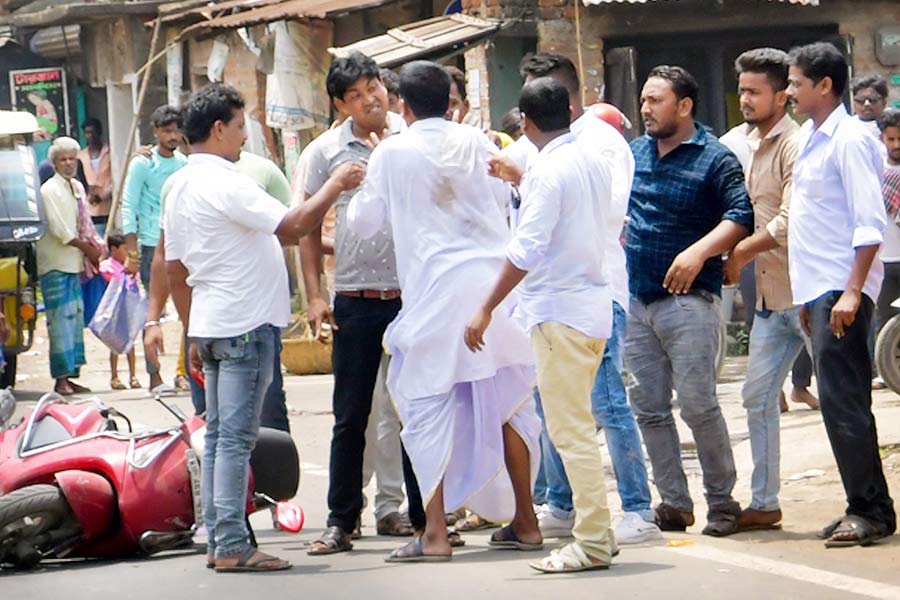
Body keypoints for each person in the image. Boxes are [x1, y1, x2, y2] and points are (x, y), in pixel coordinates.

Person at [164, 83, 363, 572]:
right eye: (239, 127)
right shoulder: (225, 181)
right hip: (243, 324)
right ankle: (231, 542)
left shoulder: (182, 184)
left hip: (213, 323)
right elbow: (293, 226)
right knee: (233, 438)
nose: (244, 138)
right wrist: (335, 185)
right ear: (218, 129)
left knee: (218, 437)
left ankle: (221, 538)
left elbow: (174, 267)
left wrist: (191, 330)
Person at [348, 60, 540, 563]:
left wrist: (374, 179)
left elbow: (364, 225)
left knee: (423, 406)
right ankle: (527, 519)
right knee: (511, 404)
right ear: (450, 101)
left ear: (402, 106)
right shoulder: (478, 142)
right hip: (493, 289)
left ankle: (434, 533)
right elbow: (505, 197)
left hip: (435, 293)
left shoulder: (392, 151)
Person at [492, 52, 660, 545]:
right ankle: (562, 505)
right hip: (548, 300)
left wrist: (527, 181)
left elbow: (603, 213)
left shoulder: (598, 144)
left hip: (593, 290)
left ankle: (636, 510)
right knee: (555, 411)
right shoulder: (542, 146)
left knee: (604, 406)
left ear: (563, 99)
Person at [466, 76, 616, 573]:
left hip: (561, 313)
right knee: (577, 428)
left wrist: (485, 306)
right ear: (570, 111)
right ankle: (599, 535)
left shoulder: (552, 170)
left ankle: (593, 540)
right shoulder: (585, 159)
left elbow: (526, 250)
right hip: (588, 307)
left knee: (571, 432)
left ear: (525, 123)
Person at [626, 65, 753, 537]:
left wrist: (700, 252)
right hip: (638, 303)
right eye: (643, 100)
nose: (645, 109)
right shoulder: (635, 153)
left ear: (684, 106)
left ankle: (722, 502)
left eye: (655, 100)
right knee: (650, 409)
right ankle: (674, 504)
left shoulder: (714, 158)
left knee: (698, 404)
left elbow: (742, 216)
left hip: (689, 303)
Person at [299, 52, 413, 554]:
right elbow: (304, 227)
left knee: (414, 411)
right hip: (355, 300)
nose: (371, 98)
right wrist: (315, 296)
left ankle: (424, 516)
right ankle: (341, 521)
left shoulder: (410, 141)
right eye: (358, 93)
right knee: (350, 416)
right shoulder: (326, 152)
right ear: (340, 103)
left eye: (375, 87)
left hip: (411, 298)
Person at [786, 42, 896, 547]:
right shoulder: (813, 138)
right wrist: (811, 298)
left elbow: (868, 223)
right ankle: (866, 504)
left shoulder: (850, 138)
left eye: (795, 83)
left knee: (845, 400)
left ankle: (869, 511)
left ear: (824, 85)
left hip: (841, 286)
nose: (790, 91)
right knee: (837, 402)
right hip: (821, 288)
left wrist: (851, 292)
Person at [721, 48, 813, 532]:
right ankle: (765, 502)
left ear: (783, 95)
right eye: (742, 91)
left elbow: (787, 221)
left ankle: (864, 501)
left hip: (811, 295)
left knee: (843, 403)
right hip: (769, 300)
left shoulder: (797, 145)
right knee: (757, 397)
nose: (746, 99)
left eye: (755, 91)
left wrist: (738, 254)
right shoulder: (740, 143)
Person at [121, 104, 186, 392]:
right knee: (153, 312)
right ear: (156, 132)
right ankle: (154, 374)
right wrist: (131, 251)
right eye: (167, 130)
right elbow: (129, 206)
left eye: (176, 130)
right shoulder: (143, 164)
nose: (173, 136)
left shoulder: (185, 164)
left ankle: (186, 371)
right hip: (150, 246)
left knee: (189, 307)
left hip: (181, 242)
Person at [37, 137, 102, 396]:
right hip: (55, 264)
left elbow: (82, 224)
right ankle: (60, 379)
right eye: (62, 159)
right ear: (54, 163)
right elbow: (61, 230)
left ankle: (71, 375)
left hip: (73, 264)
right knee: (60, 323)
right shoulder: (49, 190)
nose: (68, 163)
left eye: (71, 158)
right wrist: (88, 249)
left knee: (74, 320)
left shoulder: (75, 187)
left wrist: (92, 248)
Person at [875, 108, 900, 374]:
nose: (896, 145)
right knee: (883, 316)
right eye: (891, 139)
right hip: (883, 258)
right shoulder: (876, 169)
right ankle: (886, 372)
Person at [100, 234, 140, 390]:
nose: (126, 252)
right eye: (124, 249)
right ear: (114, 250)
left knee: (130, 342)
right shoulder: (107, 266)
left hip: (128, 307)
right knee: (114, 343)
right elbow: (110, 283)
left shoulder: (129, 266)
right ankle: (114, 376)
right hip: (114, 310)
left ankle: (133, 376)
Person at [77, 118, 113, 234]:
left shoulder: (110, 152)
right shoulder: (81, 156)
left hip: (109, 205)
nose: (90, 136)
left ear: (99, 132)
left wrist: (102, 196)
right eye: (87, 133)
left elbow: (116, 179)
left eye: (93, 132)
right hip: (90, 207)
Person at [851, 74, 889, 143]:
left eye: (872, 99)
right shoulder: (846, 129)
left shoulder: (894, 126)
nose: (866, 104)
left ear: (884, 102)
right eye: (861, 100)